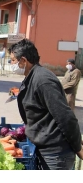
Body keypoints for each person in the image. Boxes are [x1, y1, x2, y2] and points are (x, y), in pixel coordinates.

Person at [8, 39, 83, 170]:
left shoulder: (43, 80)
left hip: (56, 154)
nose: (11, 64)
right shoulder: (32, 76)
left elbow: (65, 117)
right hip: (45, 148)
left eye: (13, 60)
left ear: (24, 61)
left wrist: (78, 147)